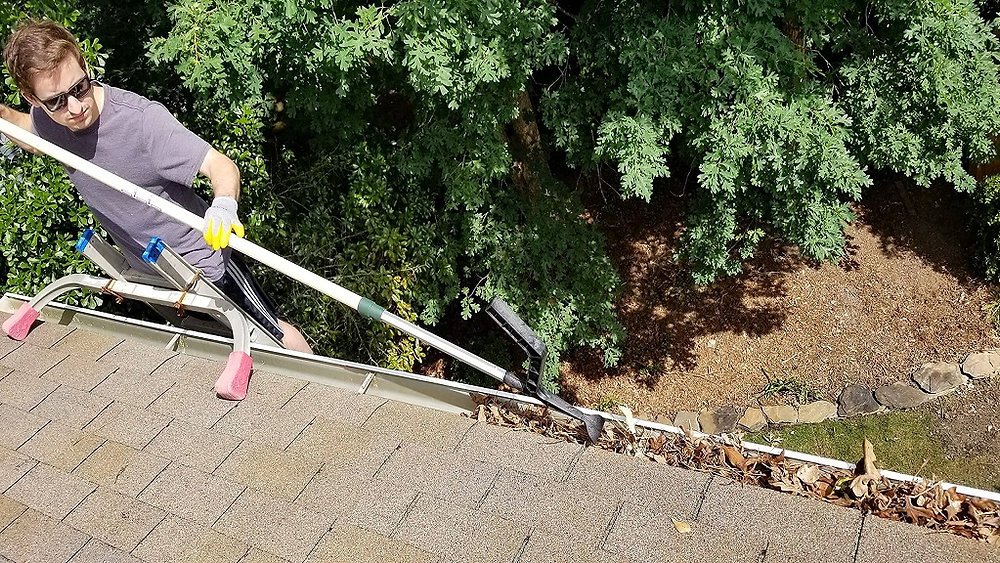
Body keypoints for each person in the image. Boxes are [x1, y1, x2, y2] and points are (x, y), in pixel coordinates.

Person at [0, 19, 312, 353]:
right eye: (57, 101)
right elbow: (30, 134)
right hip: (152, 273)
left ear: (86, 66)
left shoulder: (141, 122)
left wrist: (223, 206)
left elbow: (220, 166)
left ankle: (327, 395)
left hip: (203, 266)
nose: (75, 108)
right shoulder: (49, 120)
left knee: (274, 341)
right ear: (32, 98)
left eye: (79, 88)